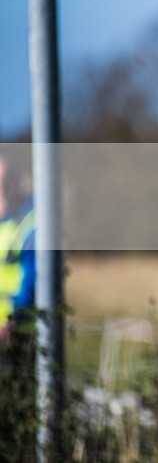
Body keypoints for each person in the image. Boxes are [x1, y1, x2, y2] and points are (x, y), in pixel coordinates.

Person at [0, 155, 36, 456]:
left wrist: (12, 318)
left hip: (15, 332)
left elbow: (30, 278)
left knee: (18, 410)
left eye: (5, 182)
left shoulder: (29, 224)